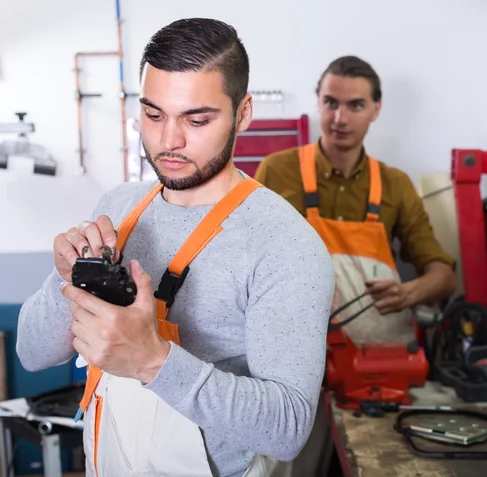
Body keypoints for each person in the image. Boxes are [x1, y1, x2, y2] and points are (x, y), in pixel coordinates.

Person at [16, 18, 335, 477]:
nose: (169, 141)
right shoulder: (119, 207)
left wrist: (154, 361)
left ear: (243, 113)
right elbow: (33, 353)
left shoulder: (284, 245)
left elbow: (287, 428)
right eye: (153, 114)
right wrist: (64, 281)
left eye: (197, 119)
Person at [255, 55, 456, 477]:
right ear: (318, 101)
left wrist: (407, 293)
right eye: (330, 102)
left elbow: (442, 273)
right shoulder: (278, 172)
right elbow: (246, 262)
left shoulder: (396, 185)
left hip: (372, 368)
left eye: (355, 105)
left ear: (376, 109)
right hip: (293, 366)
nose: (339, 117)